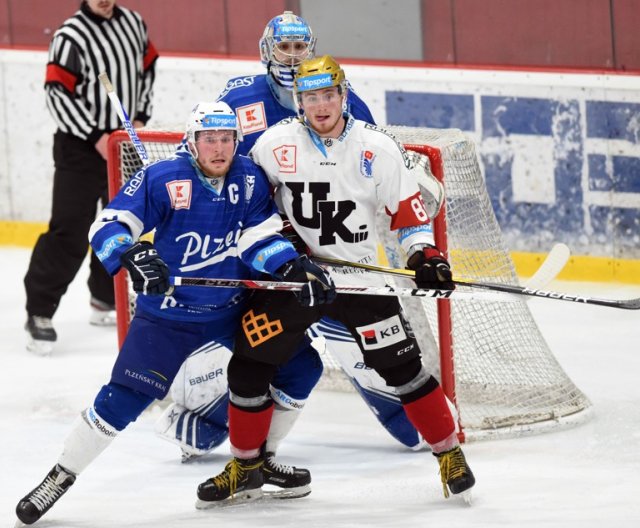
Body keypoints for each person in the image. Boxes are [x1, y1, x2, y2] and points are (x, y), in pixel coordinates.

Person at [14, 101, 336, 526]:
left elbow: (259, 237)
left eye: (226, 139)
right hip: (167, 316)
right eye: (209, 140)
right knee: (121, 401)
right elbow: (107, 226)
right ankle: (61, 475)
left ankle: (260, 461)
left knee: (302, 368)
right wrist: (131, 254)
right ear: (192, 141)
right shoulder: (163, 178)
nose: (218, 149)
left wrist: (292, 268)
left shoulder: (251, 179)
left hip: (232, 310)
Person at [195, 56, 476, 507]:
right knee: (249, 366)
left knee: (404, 370)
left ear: (344, 96)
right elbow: (253, 209)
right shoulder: (273, 144)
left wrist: (425, 255)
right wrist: (279, 254)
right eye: (309, 97)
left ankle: (449, 455)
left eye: (328, 95)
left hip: (360, 279)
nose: (320, 105)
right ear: (297, 101)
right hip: (296, 281)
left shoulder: (376, 148)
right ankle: (247, 466)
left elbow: (408, 215)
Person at [155, 11, 429, 473]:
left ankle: (409, 412)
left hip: (334, 256)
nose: (294, 56)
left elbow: (380, 161)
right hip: (266, 252)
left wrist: (415, 182)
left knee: (391, 401)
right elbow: (212, 160)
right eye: (285, 48)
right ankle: (203, 421)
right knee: (243, 345)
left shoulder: (348, 101)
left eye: (302, 47)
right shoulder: (239, 96)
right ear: (268, 50)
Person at [23, 0, 158, 355]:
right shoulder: (70, 36)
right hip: (81, 147)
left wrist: (141, 116)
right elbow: (57, 95)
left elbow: (147, 67)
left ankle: (103, 296)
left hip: (125, 141)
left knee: (120, 222)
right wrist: (95, 136)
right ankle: (39, 311)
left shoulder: (134, 23)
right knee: (69, 229)